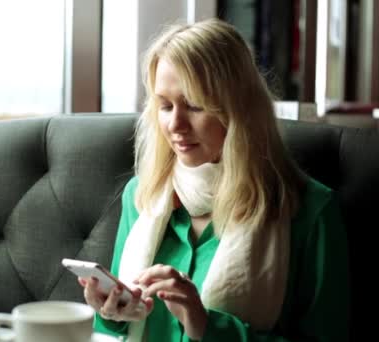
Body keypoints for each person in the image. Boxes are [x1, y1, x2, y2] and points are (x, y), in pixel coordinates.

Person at [78, 18, 349, 341]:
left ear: (238, 110)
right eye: (165, 106)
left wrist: (207, 326)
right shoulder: (141, 194)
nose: (175, 124)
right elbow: (113, 331)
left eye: (194, 105)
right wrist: (111, 313)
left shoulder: (310, 211)